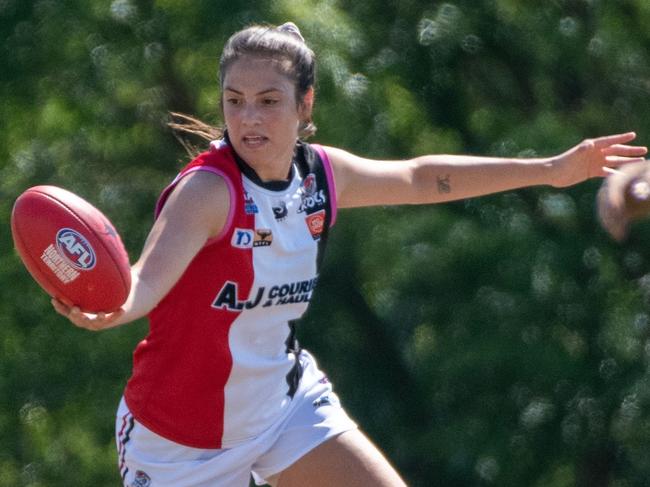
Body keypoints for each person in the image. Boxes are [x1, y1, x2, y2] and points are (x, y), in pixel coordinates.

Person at [51, 22, 647, 487]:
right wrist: (110, 306)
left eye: (268, 100)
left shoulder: (319, 176)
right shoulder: (208, 191)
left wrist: (550, 170)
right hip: (180, 442)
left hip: (283, 407)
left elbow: (419, 177)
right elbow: (143, 285)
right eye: (234, 101)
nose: (248, 118)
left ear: (305, 104)